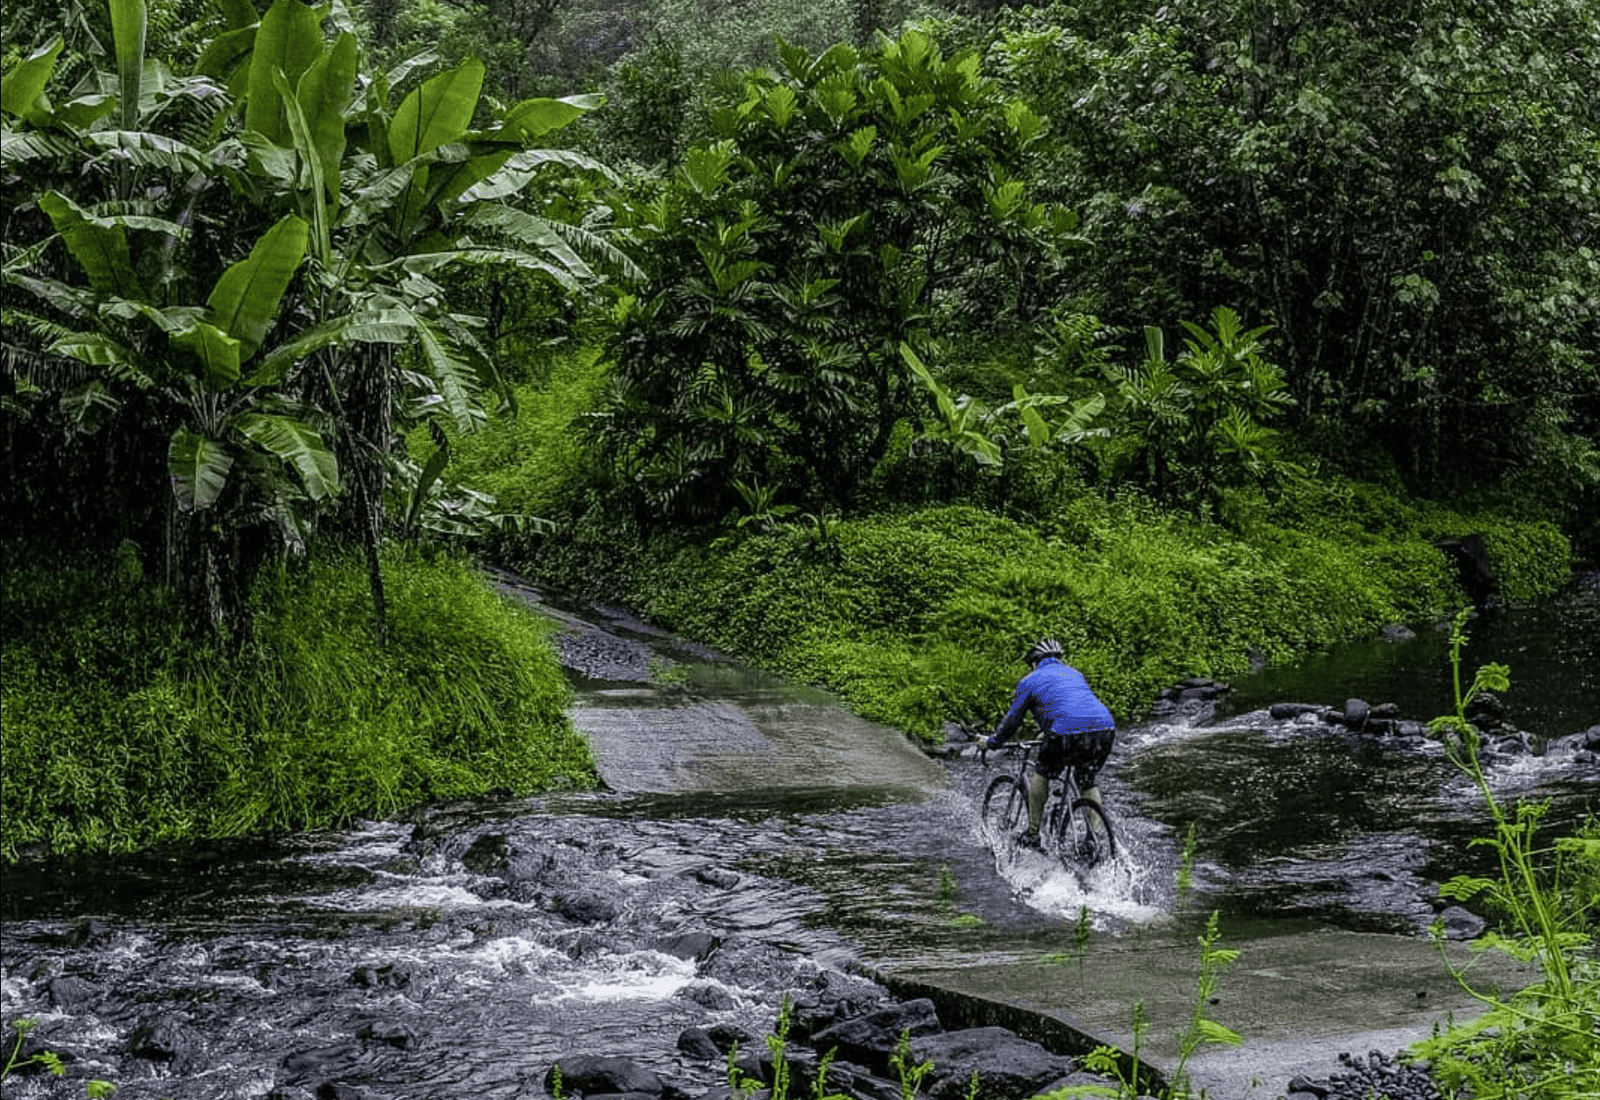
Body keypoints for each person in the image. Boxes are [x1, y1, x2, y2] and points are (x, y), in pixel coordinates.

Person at [985, 638, 1115, 849]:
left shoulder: (1030, 680)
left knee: (1042, 772)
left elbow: (1012, 723)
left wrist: (991, 743)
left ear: (1035, 663)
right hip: (1105, 728)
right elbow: (1072, 705)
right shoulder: (1074, 674)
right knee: (1086, 779)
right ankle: (1094, 838)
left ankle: (1033, 834)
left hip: (1065, 732)